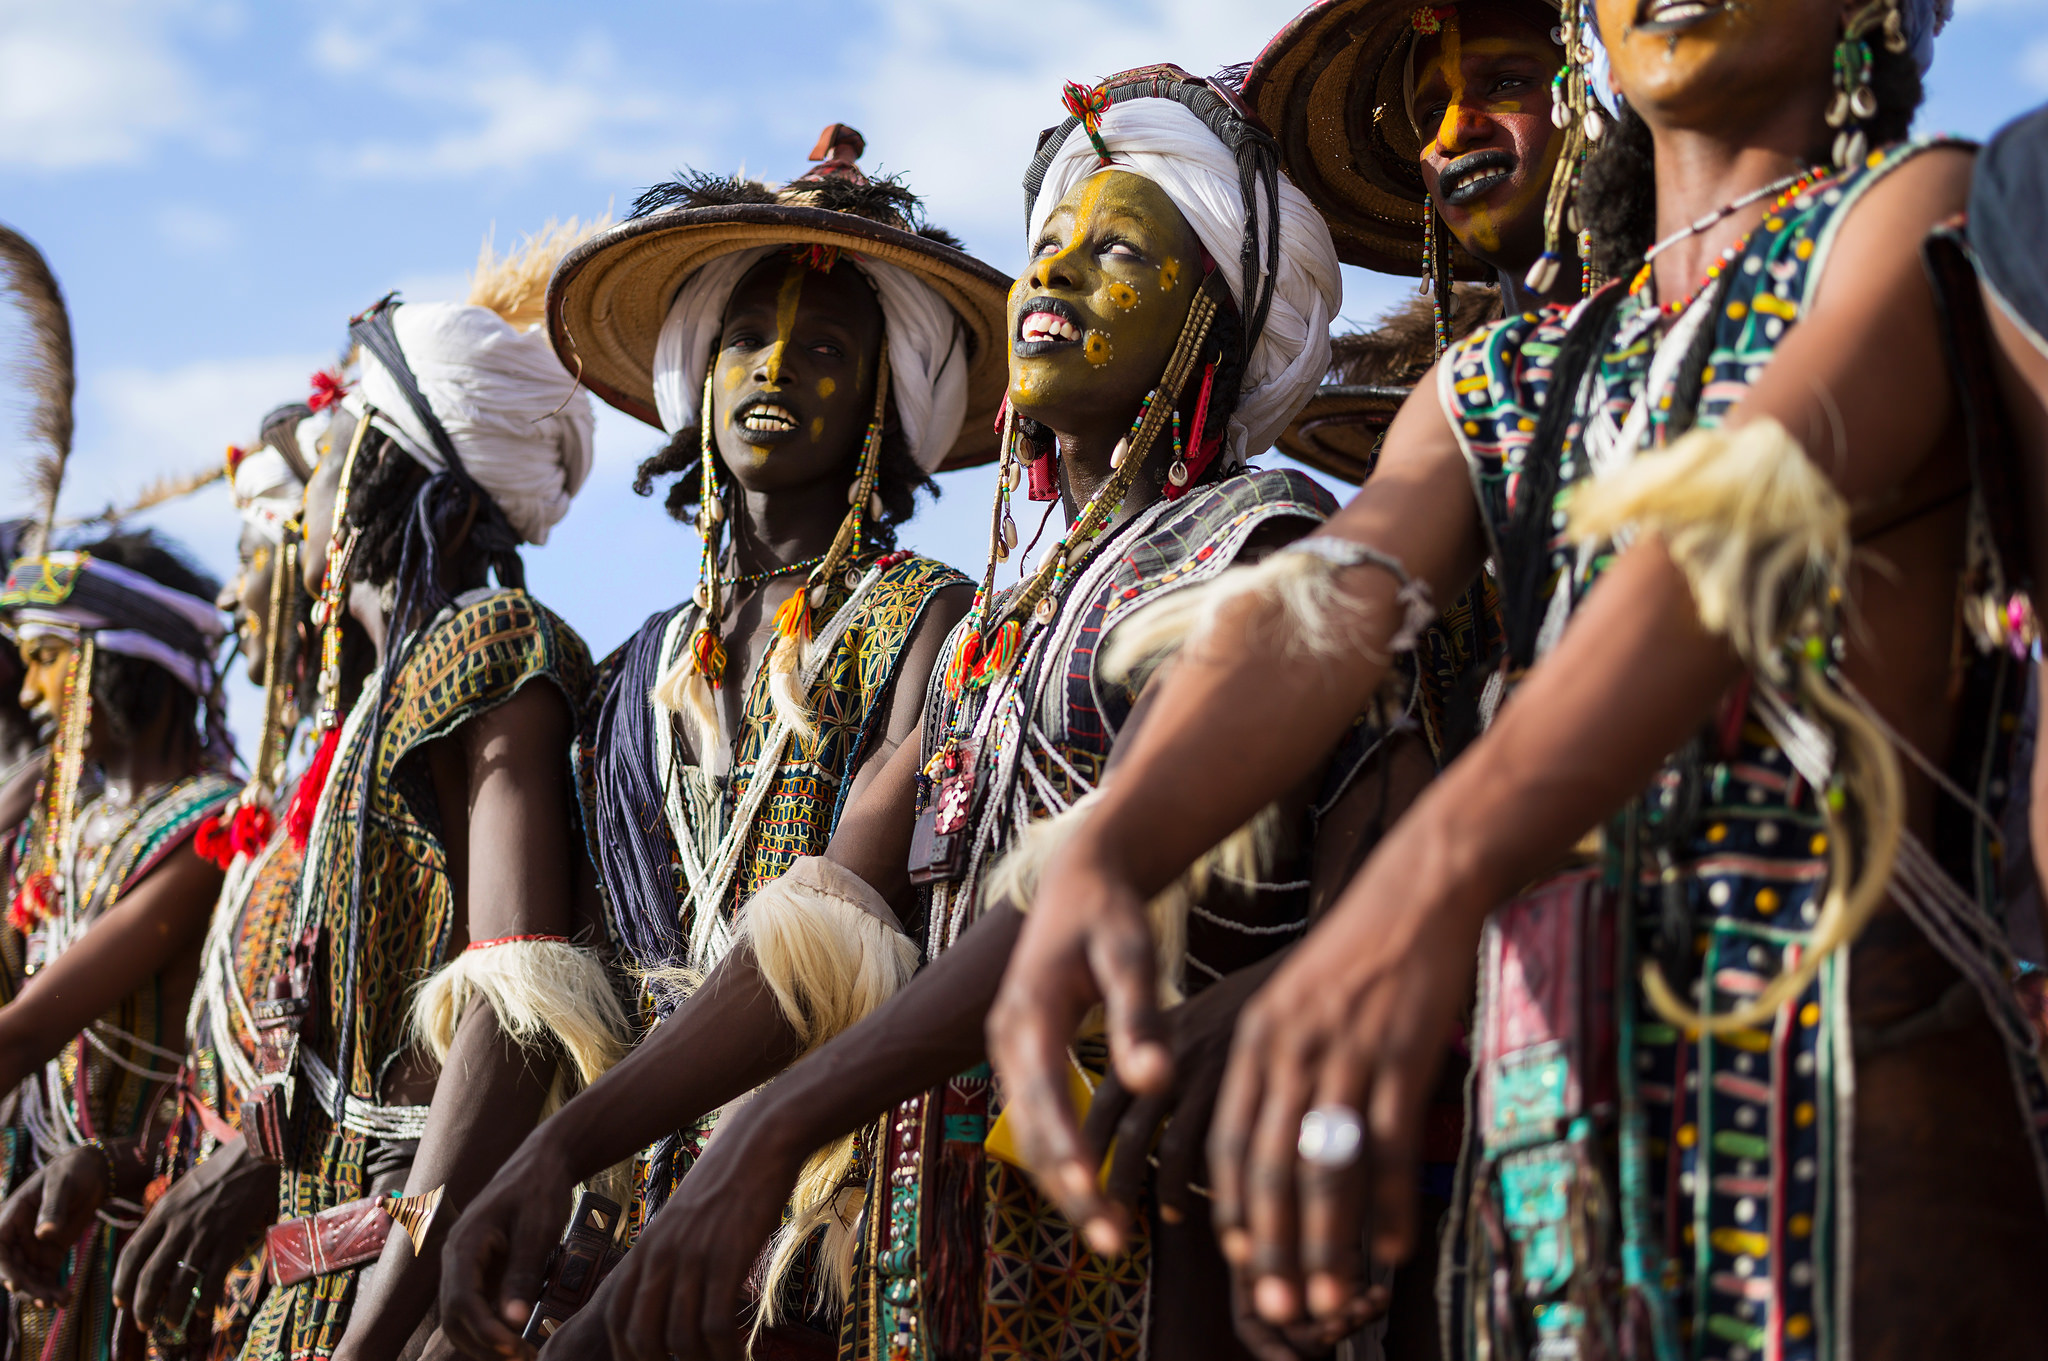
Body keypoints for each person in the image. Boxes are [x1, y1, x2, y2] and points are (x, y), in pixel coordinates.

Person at [991, 2, 2048, 1357]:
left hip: (1859, 1108)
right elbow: (1335, 593)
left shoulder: (1910, 221)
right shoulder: (1501, 379)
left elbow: (1716, 545)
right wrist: (1112, 846)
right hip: (1550, 1143)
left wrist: (1423, 884)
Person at [461, 64, 1349, 1361]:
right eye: (1047, 244)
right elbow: (836, 905)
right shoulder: (1010, 622)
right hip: (930, 1253)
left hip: (1145, 1241)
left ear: (1216, 319)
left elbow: (1081, 900)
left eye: (1117, 254)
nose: (1049, 278)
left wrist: (766, 1137)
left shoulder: (1253, 550)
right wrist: (575, 1145)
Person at [437, 128, 1009, 1357]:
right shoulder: (632, 668)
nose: (774, 369)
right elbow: (567, 970)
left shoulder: (932, 622)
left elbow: (843, 935)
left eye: (825, 350)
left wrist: (570, 1149)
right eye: (746, 338)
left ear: (880, 401)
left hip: (817, 1215)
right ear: (698, 373)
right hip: (616, 1206)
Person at [235, 226, 621, 1361]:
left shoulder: (489, 644)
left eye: (345, 436)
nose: (315, 470)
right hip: (327, 1284)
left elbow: (515, 1008)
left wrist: (371, 1340)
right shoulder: (377, 701)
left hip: (401, 1305)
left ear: (429, 500)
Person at [0, 532, 239, 1361]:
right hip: (41, 1196)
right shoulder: (66, 826)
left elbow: (25, 1032)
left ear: (114, 662)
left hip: (141, 1218)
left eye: (45, 657)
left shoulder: (210, 826)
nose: (31, 689)